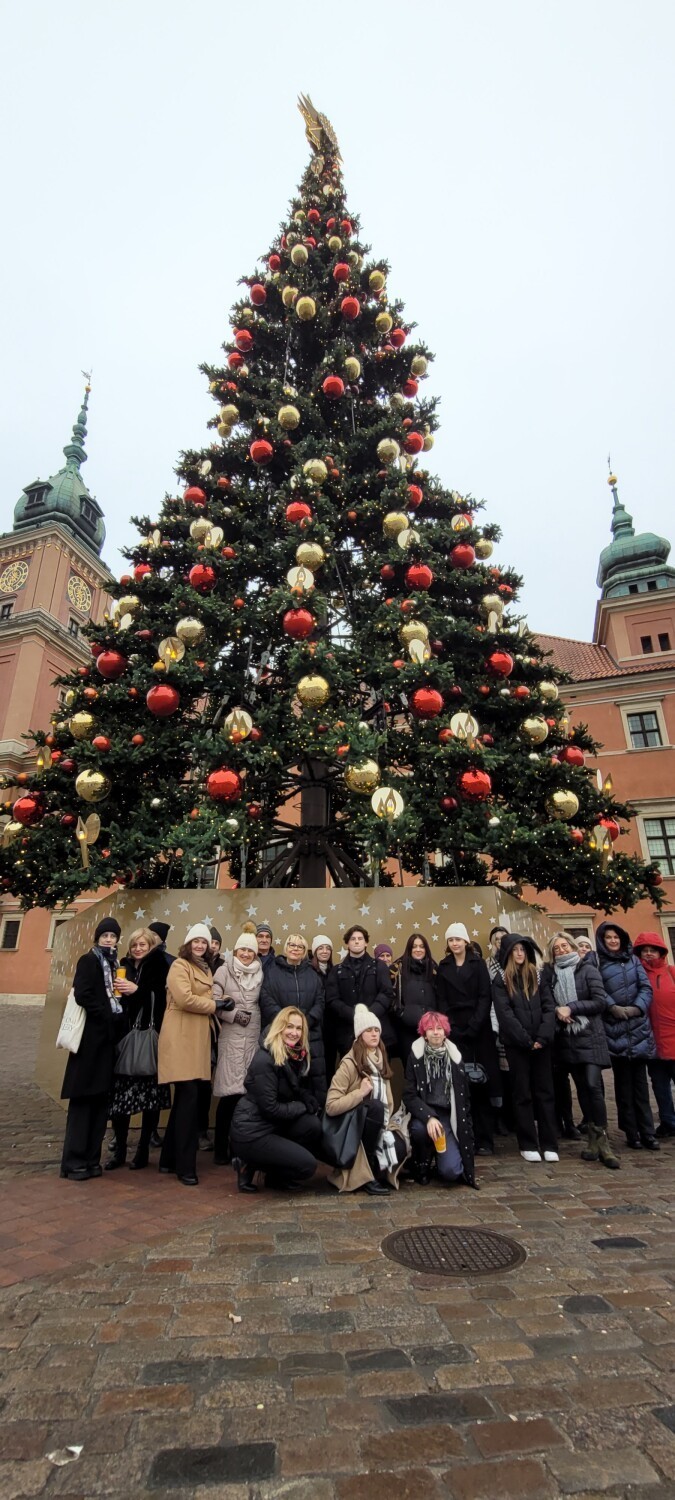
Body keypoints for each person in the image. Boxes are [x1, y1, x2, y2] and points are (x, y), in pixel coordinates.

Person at [541, 932, 619, 1169]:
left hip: (589, 1036)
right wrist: (557, 1011)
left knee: (593, 1086)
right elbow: (547, 1001)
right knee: (582, 1089)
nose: (562, 950)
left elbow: (600, 1001)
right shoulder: (550, 974)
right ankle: (592, 1141)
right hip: (567, 1039)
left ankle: (602, 1140)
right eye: (557, 948)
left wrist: (571, 1008)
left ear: (572, 947)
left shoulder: (587, 970)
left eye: (565, 946)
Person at [60, 917, 125, 1182]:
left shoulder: (115, 964)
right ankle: (74, 1160)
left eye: (113, 936)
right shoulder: (89, 960)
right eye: (105, 935)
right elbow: (82, 994)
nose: (109, 940)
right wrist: (106, 1014)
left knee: (100, 1101)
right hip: (89, 1041)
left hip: (106, 1043)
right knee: (83, 1101)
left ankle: (91, 1158)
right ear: (98, 937)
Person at [229, 1008, 322, 1193]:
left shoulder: (293, 1055)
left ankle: (275, 1177)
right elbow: (270, 1108)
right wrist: (301, 1106)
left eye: (299, 1028)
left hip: (271, 1125)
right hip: (251, 1132)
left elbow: (287, 1090)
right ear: (279, 1027)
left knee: (312, 1125)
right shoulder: (265, 1060)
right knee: (307, 1166)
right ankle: (248, 1163)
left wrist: (304, 1096)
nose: (294, 1032)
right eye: (289, 1026)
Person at [325, 1004, 409, 1195]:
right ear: (359, 1034)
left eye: (377, 1030)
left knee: (400, 1146)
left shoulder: (380, 1059)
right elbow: (331, 1106)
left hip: (379, 1126)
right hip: (353, 1129)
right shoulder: (349, 1063)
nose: (374, 1034)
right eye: (369, 1030)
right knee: (375, 1107)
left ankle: (375, 1172)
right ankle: (368, 1170)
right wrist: (360, 1094)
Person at [106, 927, 171, 1171]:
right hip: (125, 1040)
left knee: (150, 1102)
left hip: (148, 1038)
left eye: (143, 945)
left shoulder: (159, 966)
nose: (138, 949)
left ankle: (143, 1149)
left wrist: (137, 991)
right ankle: (120, 1149)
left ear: (152, 946)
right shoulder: (122, 965)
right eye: (135, 945)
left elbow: (163, 999)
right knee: (120, 1102)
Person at [157, 923, 216, 1185]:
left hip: (195, 1037)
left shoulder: (203, 967)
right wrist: (217, 1004)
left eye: (204, 942)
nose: (201, 946)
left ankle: (169, 1160)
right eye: (196, 942)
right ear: (188, 944)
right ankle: (185, 1166)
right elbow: (185, 999)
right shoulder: (180, 966)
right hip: (182, 1037)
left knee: (185, 1100)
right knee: (189, 1102)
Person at [491, 934, 559, 1163]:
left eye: (523, 949)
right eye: (515, 950)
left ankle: (549, 1143)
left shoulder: (539, 976)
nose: (519, 953)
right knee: (522, 1094)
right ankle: (528, 1142)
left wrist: (542, 1036)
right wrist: (525, 1039)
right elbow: (505, 1014)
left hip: (542, 1044)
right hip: (517, 1045)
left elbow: (550, 1007)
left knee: (546, 1093)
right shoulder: (501, 980)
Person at [435, 923, 498, 1155]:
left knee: (480, 1083)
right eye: (451, 940)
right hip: (454, 1031)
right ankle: (464, 1135)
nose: (455, 944)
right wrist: (449, 1025)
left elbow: (485, 997)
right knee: (459, 1085)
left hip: (478, 1031)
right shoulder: (443, 967)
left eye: (458, 940)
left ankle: (485, 1139)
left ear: (465, 941)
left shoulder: (478, 964)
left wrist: (474, 1025)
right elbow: (441, 998)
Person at [596, 922, 658, 1150]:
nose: (613, 940)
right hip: (615, 1029)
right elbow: (599, 989)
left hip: (638, 1028)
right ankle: (632, 1132)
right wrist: (612, 1007)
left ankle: (648, 1132)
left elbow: (646, 988)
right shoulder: (599, 963)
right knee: (623, 1088)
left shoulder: (634, 961)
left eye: (616, 937)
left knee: (641, 1087)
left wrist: (636, 1008)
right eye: (608, 937)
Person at [402, 1011, 476, 1187]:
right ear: (424, 1034)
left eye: (439, 1028)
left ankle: (440, 1157)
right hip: (425, 1114)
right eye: (430, 1029)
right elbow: (409, 1094)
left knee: (451, 1173)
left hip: (448, 1117)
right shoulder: (415, 1056)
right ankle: (423, 1162)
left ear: (445, 1031)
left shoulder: (455, 1058)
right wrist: (429, 1117)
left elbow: (464, 1099)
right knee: (420, 1131)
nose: (436, 1032)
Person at [212, 928, 263, 1164]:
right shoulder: (224, 970)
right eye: (242, 949)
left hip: (252, 1040)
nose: (246, 954)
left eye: (250, 950)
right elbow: (213, 1002)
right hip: (231, 1038)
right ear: (236, 949)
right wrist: (234, 1016)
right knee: (229, 1095)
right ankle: (220, 1149)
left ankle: (239, 1147)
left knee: (246, 1095)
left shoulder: (260, 973)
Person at [260, 935, 327, 1103]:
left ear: (305, 951)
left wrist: (307, 1022)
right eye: (292, 945)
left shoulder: (312, 974)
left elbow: (320, 1000)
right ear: (286, 947)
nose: (295, 949)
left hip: (311, 1035)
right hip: (283, 1036)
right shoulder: (272, 972)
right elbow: (266, 999)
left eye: (300, 947)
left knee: (314, 1082)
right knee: (286, 1083)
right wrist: (286, 1023)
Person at [325, 925, 396, 1061]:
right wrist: (354, 1015)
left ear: (366, 942)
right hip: (348, 1035)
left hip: (378, 1033)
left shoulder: (379, 966)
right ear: (347, 943)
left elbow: (387, 993)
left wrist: (368, 1014)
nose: (356, 941)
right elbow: (332, 1000)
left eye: (360, 938)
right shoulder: (336, 971)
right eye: (352, 939)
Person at [633, 932, 675, 1138]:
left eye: (652, 950)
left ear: (660, 951)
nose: (648, 954)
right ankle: (668, 1121)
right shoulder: (638, 975)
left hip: (673, 1037)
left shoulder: (671, 972)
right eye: (644, 950)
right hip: (651, 1041)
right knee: (659, 1085)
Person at [394, 934, 437, 1063]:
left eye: (422, 947)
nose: (418, 950)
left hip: (431, 1029)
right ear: (409, 949)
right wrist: (402, 1013)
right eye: (414, 947)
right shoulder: (398, 968)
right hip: (407, 1029)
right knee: (411, 1069)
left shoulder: (434, 968)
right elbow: (390, 994)